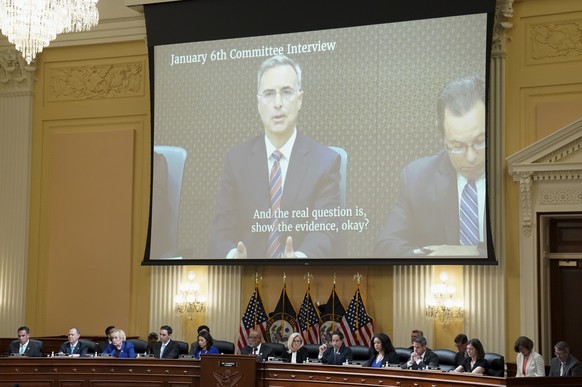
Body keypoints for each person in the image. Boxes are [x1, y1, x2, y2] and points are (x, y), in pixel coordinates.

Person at [209, 54, 342, 259]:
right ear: (258, 103)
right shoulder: (236, 161)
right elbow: (221, 229)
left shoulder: (326, 162)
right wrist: (232, 255)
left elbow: (325, 232)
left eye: (286, 92)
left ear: (300, 99)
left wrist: (299, 258)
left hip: (303, 280)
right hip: (246, 277)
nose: (278, 103)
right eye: (269, 94)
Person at [374, 75, 487, 258]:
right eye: (457, 146)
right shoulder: (417, 178)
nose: (471, 156)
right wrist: (433, 257)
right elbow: (385, 247)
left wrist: (475, 252)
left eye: (480, 142)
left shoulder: (515, 175)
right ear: (442, 137)